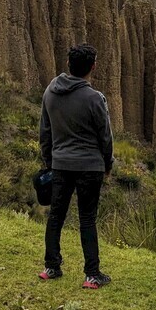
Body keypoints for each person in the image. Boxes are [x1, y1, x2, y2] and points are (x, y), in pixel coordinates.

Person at [38, 43, 114, 289]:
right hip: (90, 167)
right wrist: (107, 163)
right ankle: (92, 274)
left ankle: (51, 266)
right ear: (92, 67)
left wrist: (50, 161)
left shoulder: (50, 92)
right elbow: (105, 136)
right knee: (87, 218)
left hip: (60, 165)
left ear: (68, 64)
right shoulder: (95, 98)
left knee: (56, 215)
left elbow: (45, 131)